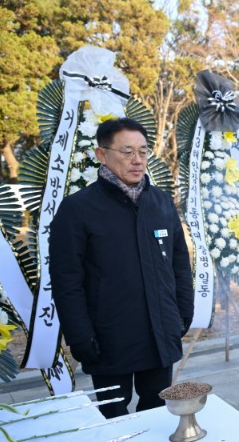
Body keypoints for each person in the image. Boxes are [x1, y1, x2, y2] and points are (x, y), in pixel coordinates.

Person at [50, 118, 194, 419]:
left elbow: (179, 262)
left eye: (142, 151)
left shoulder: (161, 202)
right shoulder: (78, 209)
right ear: (101, 154)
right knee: (112, 413)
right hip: (108, 336)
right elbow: (66, 280)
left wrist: (183, 311)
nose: (137, 160)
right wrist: (79, 335)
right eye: (127, 151)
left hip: (159, 331)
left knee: (157, 411)